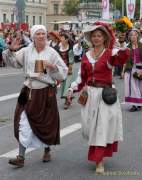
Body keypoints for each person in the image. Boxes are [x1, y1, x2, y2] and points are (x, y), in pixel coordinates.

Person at [67, 23, 130, 174]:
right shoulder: (86, 56)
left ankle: (99, 161)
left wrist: (120, 44)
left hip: (105, 95)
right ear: (91, 38)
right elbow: (82, 77)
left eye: (99, 36)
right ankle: (98, 156)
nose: (96, 38)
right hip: (90, 94)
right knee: (89, 128)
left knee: (101, 128)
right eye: (94, 36)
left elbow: (122, 57)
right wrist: (71, 88)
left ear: (104, 38)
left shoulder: (110, 54)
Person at [2, 25, 68, 168]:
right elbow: (13, 63)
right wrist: (12, 50)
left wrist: (53, 67)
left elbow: (63, 73)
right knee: (23, 123)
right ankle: (21, 157)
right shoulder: (26, 51)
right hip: (28, 90)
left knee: (45, 124)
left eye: (43, 33)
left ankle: (46, 149)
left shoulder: (52, 53)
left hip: (45, 92)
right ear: (33, 36)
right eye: (38, 33)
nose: (41, 36)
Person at [121, 29, 142, 111]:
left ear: (137, 36)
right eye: (131, 35)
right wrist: (123, 71)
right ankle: (135, 105)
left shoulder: (141, 46)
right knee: (132, 87)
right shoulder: (127, 47)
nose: (133, 36)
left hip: (140, 69)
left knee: (139, 88)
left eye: (134, 35)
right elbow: (125, 60)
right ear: (129, 37)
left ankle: (139, 103)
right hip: (130, 69)